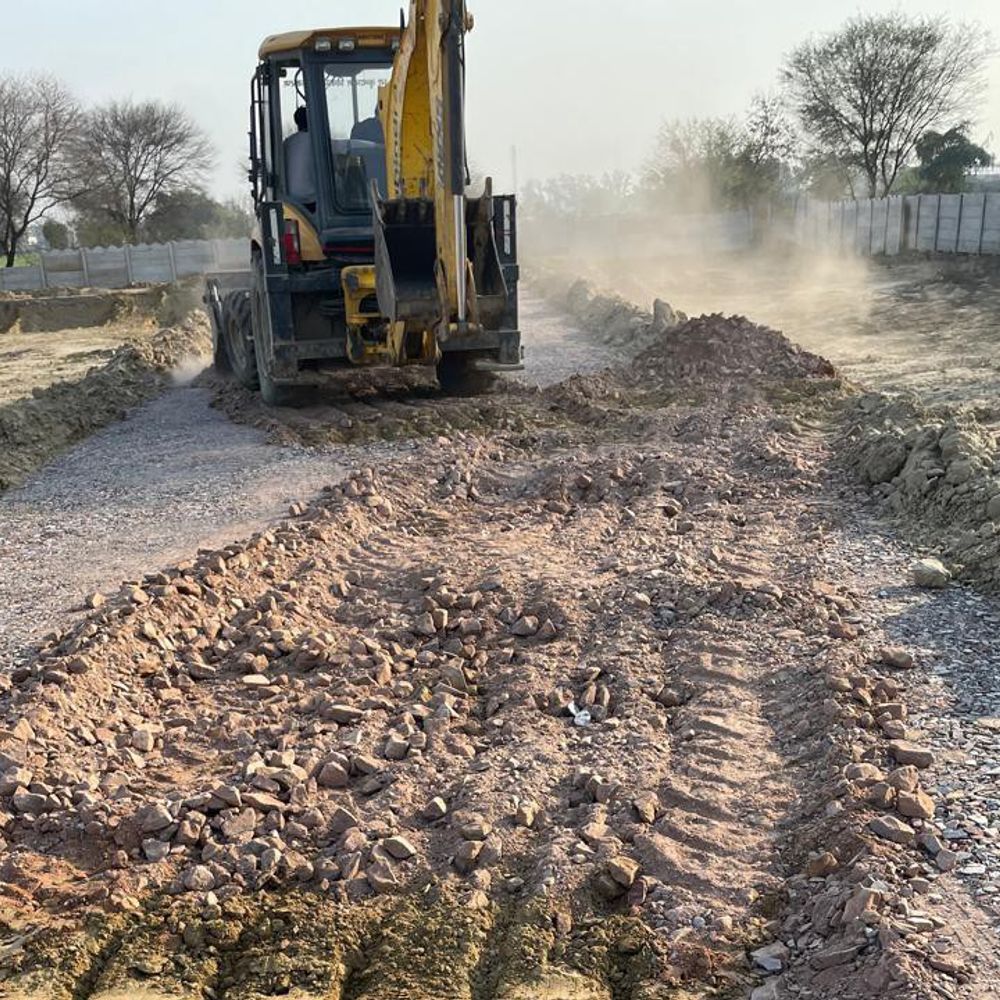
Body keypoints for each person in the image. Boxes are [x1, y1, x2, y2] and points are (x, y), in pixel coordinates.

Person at [284, 106, 316, 208]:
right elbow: (343, 147)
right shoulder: (316, 141)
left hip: (291, 201)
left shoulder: (287, 143)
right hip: (312, 200)